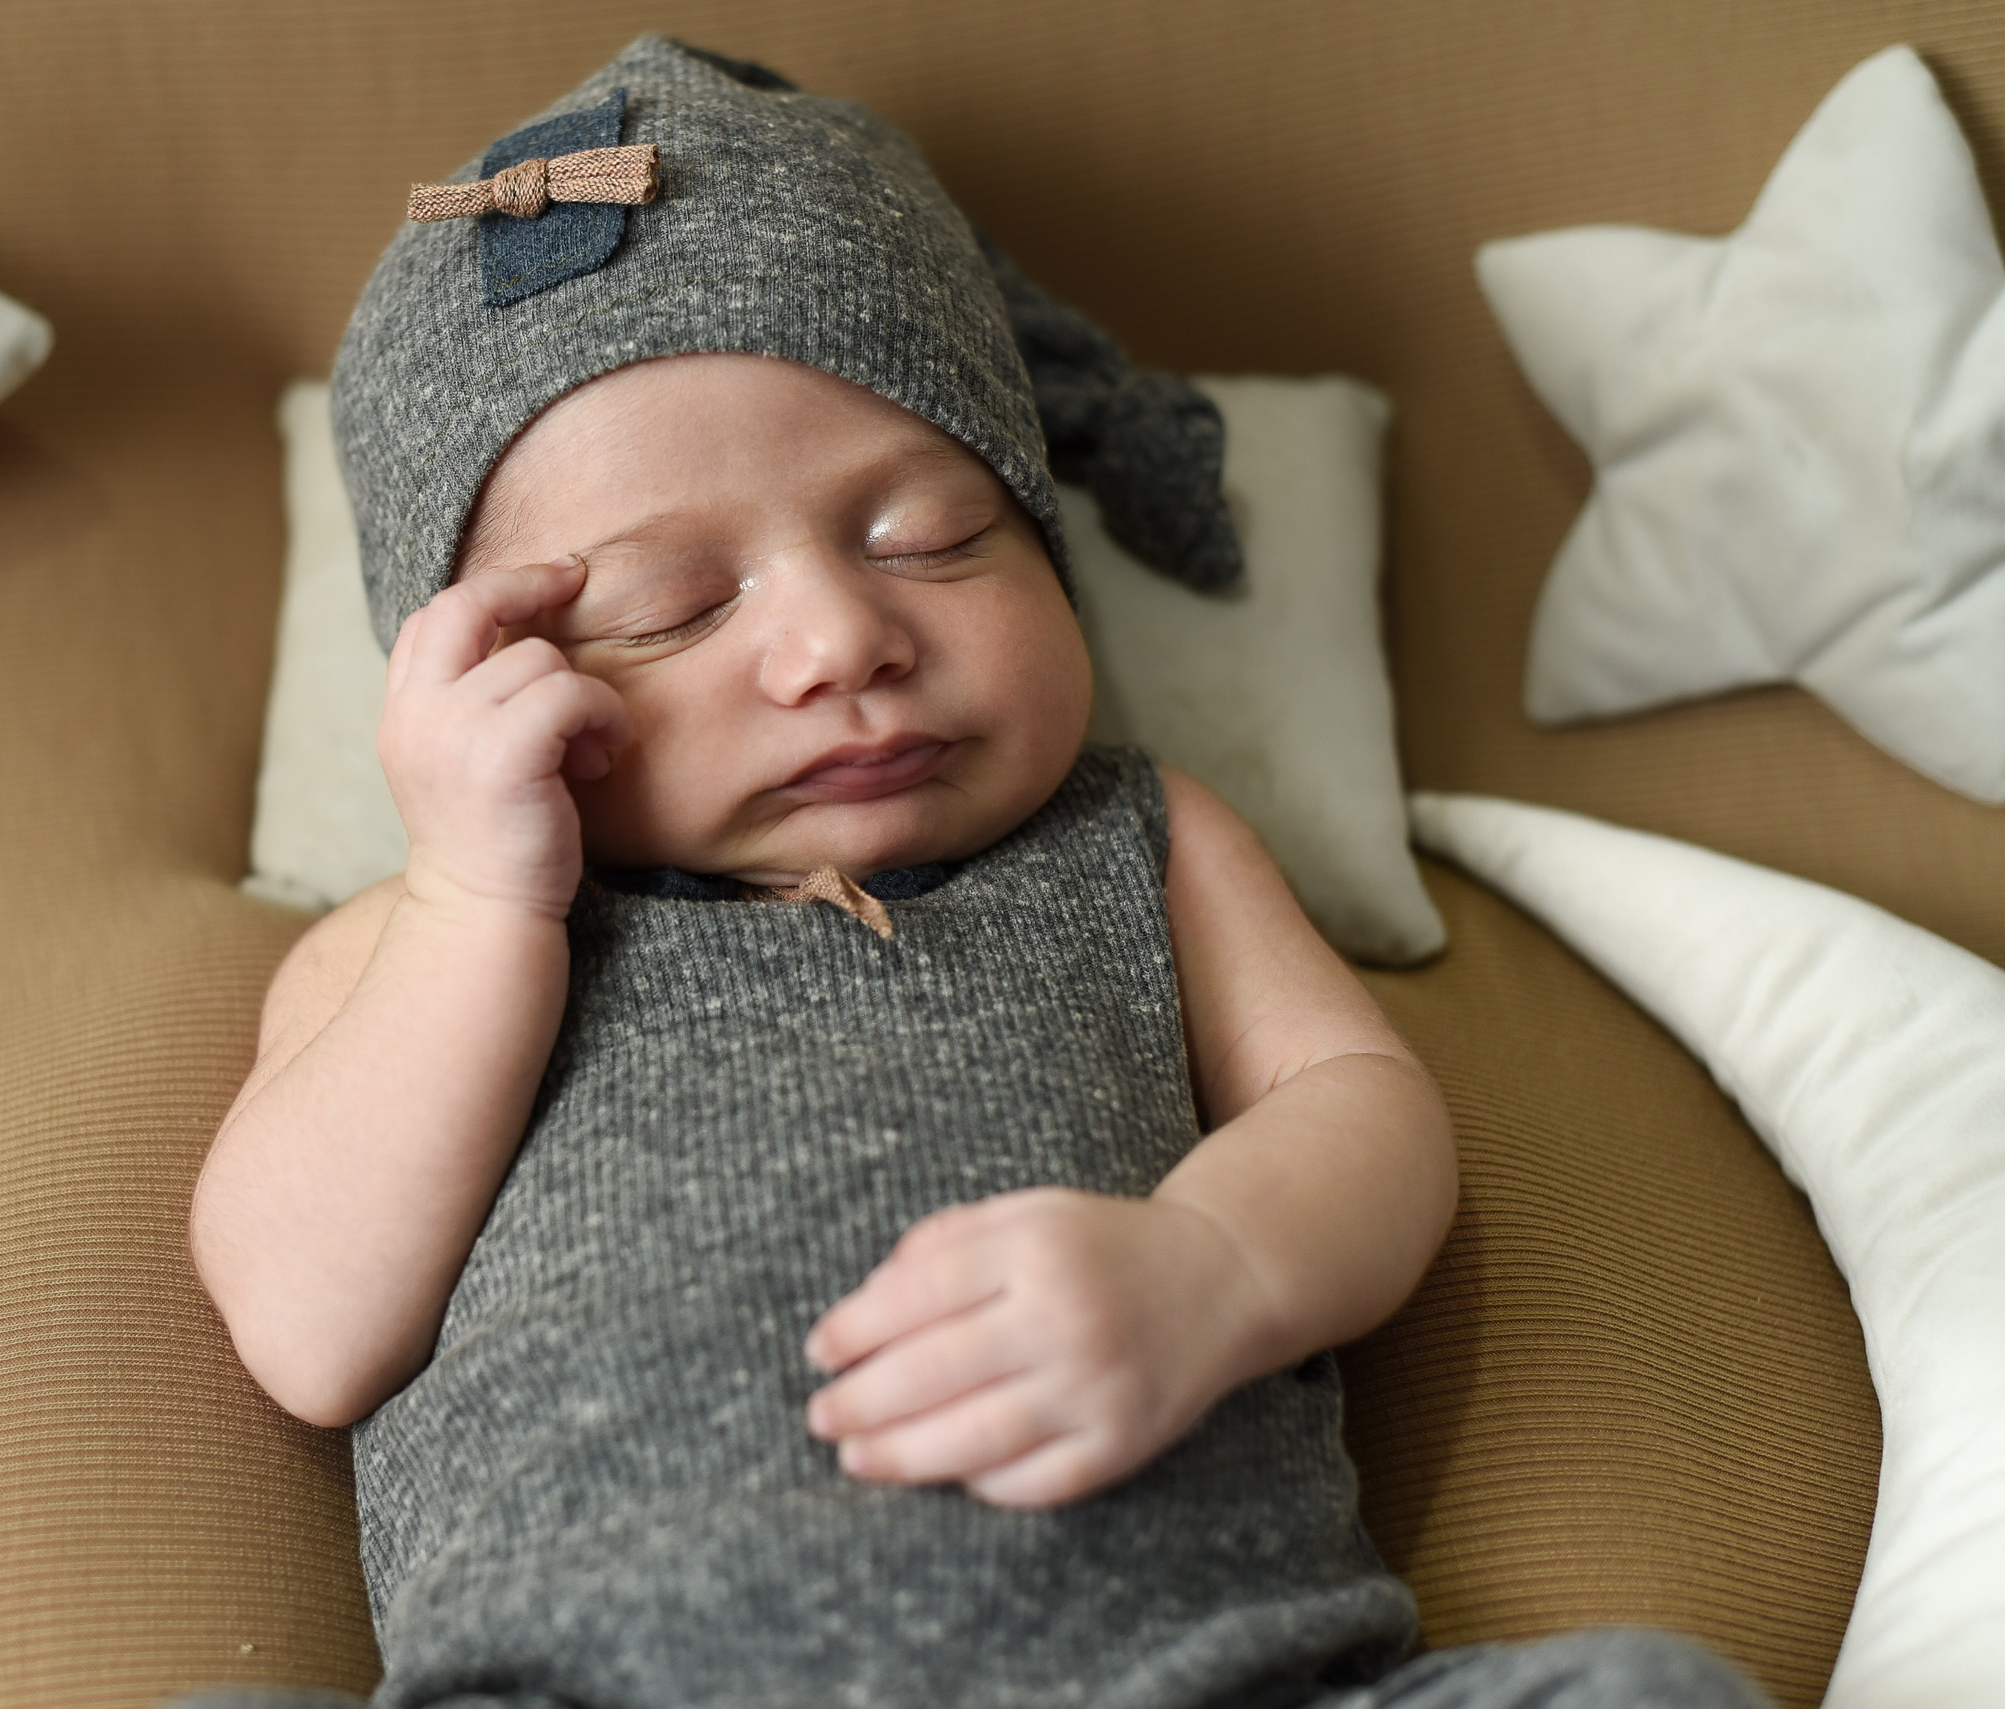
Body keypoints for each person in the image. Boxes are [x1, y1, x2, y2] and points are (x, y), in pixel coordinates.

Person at [180, 34, 1775, 1709]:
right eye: (672, 608)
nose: (841, 640)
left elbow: (1358, 1103)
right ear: (473, 672)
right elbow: (308, 1327)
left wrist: (1212, 1271)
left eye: (929, 538)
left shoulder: (1130, 841)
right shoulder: (411, 935)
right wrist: (477, 899)